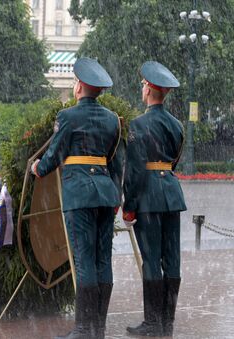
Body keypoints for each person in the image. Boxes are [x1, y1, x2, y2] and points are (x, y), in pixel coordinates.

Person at [31, 57, 121, 339]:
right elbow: (115, 160)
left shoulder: (68, 116)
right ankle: (99, 328)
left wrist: (38, 167)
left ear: (80, 86)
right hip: (105, 193)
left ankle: (83, 329)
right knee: (102, 259)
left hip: (79, 192)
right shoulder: (112, 119)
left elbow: (54, 155)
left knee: (83, 260)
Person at [123, 61, 187, 337]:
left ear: (149, 90)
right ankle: (166, 322)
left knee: (151, 260)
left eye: (142, 86)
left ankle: (152, 323)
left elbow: (135, 170)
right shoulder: (176, 125)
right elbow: (174, 162)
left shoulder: (138, 124)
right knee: (171, 259)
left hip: (148, 197)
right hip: (171, 196)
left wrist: (129, 206)